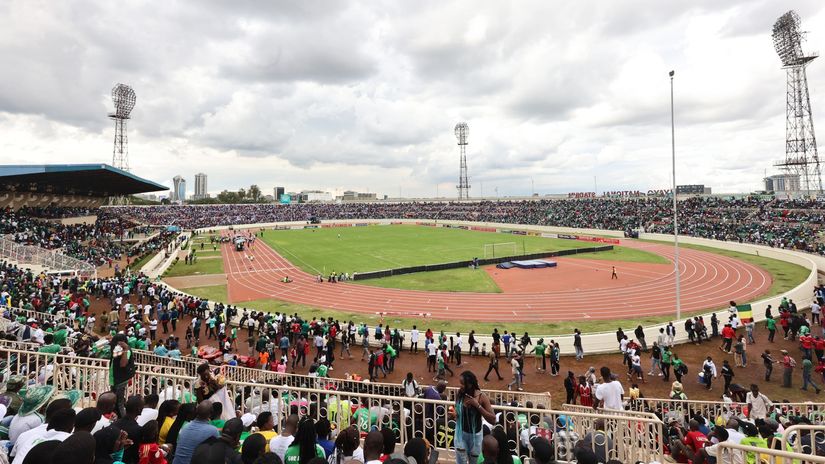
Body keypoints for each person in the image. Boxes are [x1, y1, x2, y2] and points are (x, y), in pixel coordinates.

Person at [453, 371, 496, 464]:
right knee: (461, 462)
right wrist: (455, 414)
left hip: (476, 438)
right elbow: (457, 411)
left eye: (462, 384)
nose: (460, 386)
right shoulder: (460, 394)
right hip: (461, 435)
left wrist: (477, 405)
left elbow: (493, 420)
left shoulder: (481, 396)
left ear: (470, 384)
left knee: (475, 462)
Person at [110, 333, 136, 418]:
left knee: (119, 403)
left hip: (121, 380)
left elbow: (123, 364)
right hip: (115, 379)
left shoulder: (126, 350)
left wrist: (125, 349)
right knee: (114, 402)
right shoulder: (117, 349)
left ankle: (124, 420)